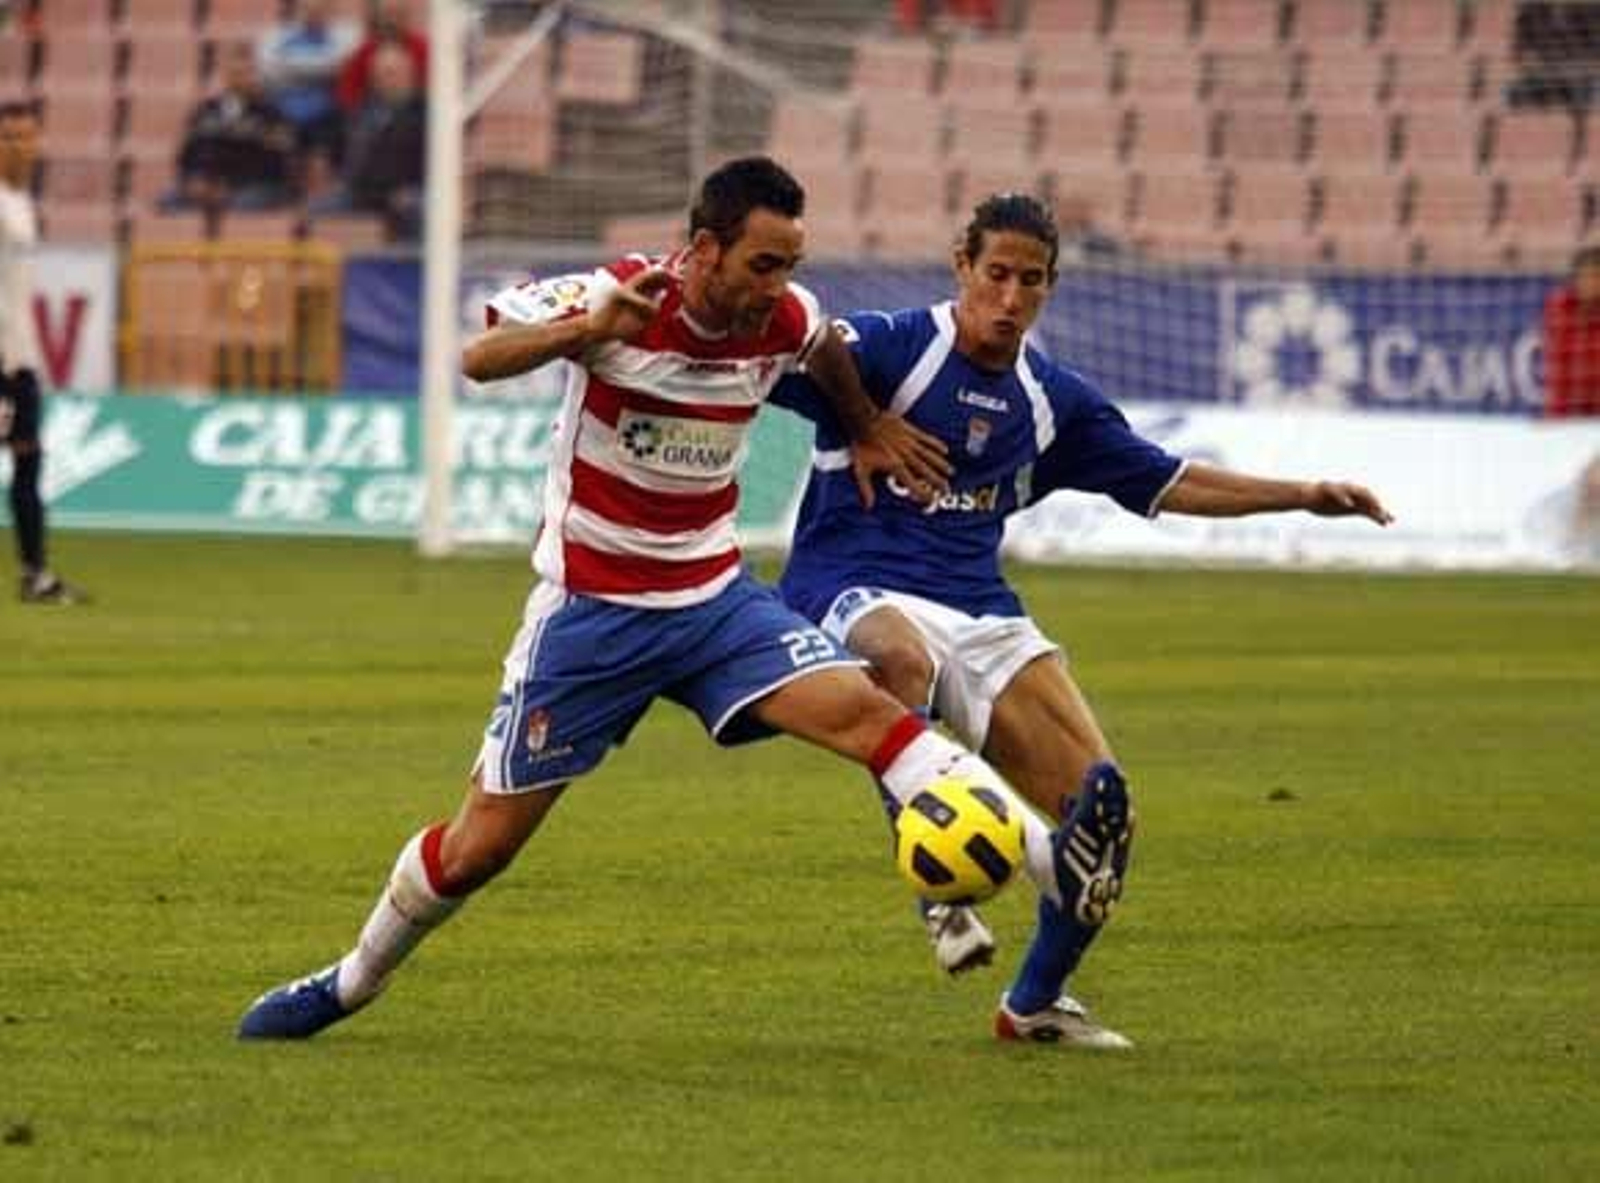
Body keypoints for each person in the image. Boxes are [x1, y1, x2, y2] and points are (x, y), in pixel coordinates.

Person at [238, 157, 1110, 1042]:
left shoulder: (788, 318)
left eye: (792, 266)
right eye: (764, 265)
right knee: (479, 849)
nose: (782, 287)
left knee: (871, 711)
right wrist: (584, 327)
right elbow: (479, 356)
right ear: (705, 249)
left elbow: (822, 351)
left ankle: (1056, 865)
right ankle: (350, 981)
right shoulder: (620, 296)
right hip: (592, 616)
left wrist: (867, 426)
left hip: (713, 604)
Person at [770, 193, 1393, 1048]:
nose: (1010, 296)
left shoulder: (1051, 401)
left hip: (980, 607)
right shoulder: (892, 348)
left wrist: (1304, 495)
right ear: (962, 265)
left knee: (1104, 818)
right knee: (899, 662)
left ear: (1050, 288)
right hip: (849, 581)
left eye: (1031, 281)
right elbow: (768, 357)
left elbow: (1169, 479)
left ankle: (1034, 1005)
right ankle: (939, 883)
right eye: (996, 274)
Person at [0, 101, 85, 606]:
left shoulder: (21, 203)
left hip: (19, 358)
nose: (18, 147)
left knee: (28, 464)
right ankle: (35, 573)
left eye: (25, 137)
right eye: (8, 137)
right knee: (25, 462)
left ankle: (36, 574)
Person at [309, 41, 426, 239]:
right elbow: (343, 151)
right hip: (361, 192)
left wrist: (409, 189)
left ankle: (414, 266)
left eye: (391, 72)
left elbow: (434, 163)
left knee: (416, 207)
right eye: (378, 74)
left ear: (410, 74)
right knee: (311, 211)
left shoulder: (426, 113)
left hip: (409, 190)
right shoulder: (363, 111)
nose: (385, 80)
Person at [169, 43, 297, 213]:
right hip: (209, 182)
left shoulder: (272, 111)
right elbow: (188, 153)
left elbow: (283, 151)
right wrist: (194, 179)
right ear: (226, 77)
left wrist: (229, 185)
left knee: (240, 207)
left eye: (249, 73)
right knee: (170, 202)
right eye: (237, 74)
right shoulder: (207, 110)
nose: (245, 79)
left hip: (258, 184)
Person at [1543, 243, 1600, 418]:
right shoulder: (1559, 307)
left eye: (1596, 276)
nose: (1590, 282)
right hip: (1564, 413)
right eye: (1585, 276)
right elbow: (1558, 369)